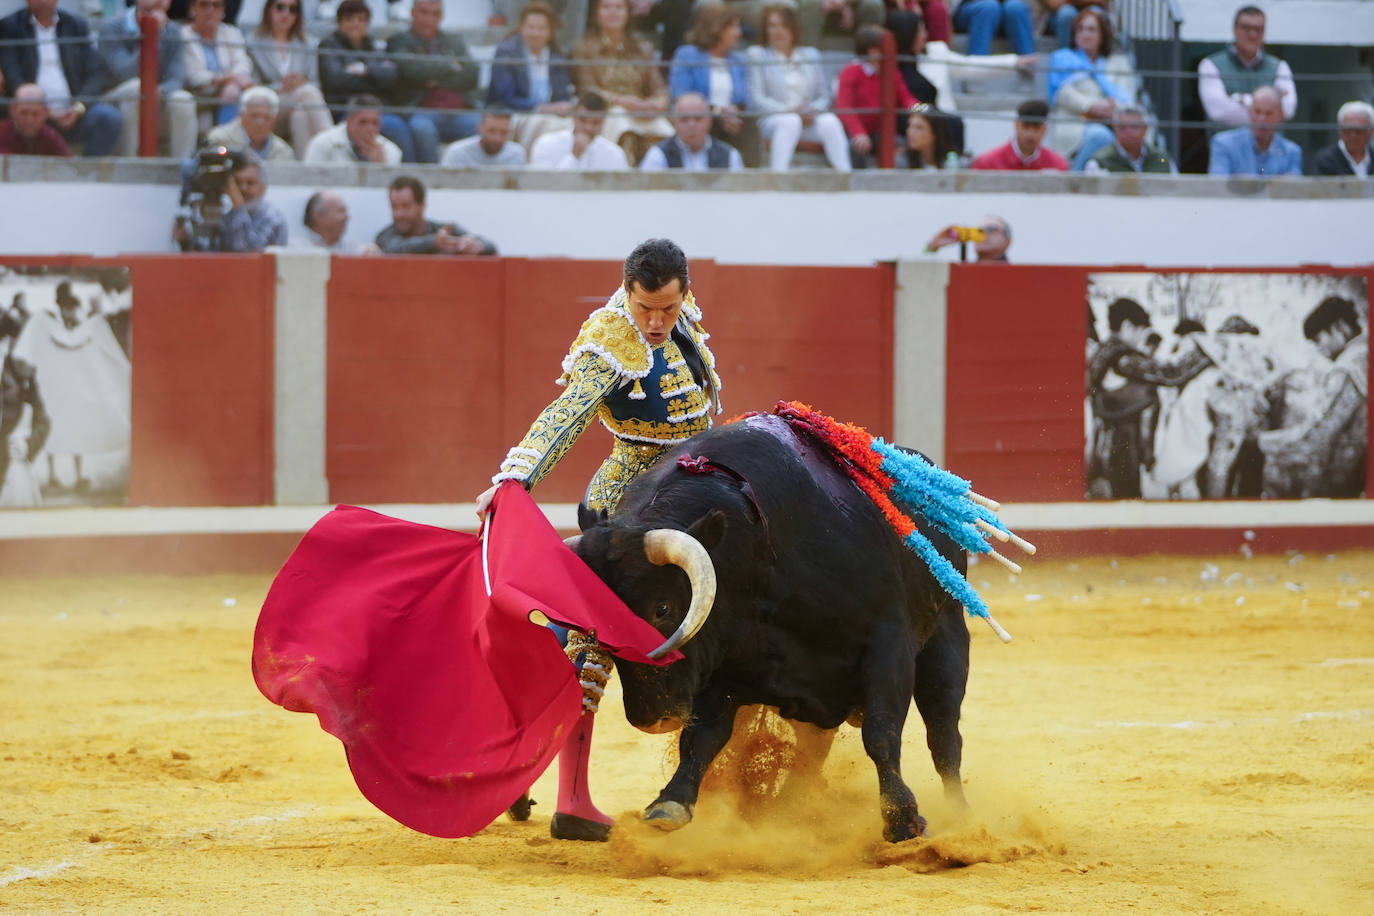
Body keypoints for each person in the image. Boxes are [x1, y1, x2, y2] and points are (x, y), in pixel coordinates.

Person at [473, 238, 722, 843]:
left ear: (683, 291)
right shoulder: (612, 338)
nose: (656, 323)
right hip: (626, 511)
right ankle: (572, 798)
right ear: (627, 292)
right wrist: (514, 478)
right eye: (646, 310)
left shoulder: (680, 318)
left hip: (685, 491)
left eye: (667, 308)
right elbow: (567, 414)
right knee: (589, 651)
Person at [1086, 297, 1210, 499]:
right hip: (1121, 447)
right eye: (1139, 331)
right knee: (1124, 500)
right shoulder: (1123, 358)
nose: (1139, 340)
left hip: (1107, 441)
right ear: (1127, 326)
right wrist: (1206, 352)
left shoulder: (1104, 352)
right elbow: (1171, 374)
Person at [0, 0, 123, 156]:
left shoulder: (76, 25)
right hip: (29, 111)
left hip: (72, 112)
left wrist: (78, 107)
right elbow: (12, 73)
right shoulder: (10, 26)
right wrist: (41, 111)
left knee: (109, 118)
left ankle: (85, 173)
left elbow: (96, 73)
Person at [746, 2, 852, 172]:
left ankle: (845, 177)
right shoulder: (757, 54)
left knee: (830, 121)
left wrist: (811, 110)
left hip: (807, 119)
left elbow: (823, 96)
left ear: (793, 28)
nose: (777, 31)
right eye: (772, 26)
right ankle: (778, 178)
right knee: (791, 121)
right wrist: (791, 110)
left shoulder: (810, 54)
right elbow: (757, 98)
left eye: (783, 26)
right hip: (773, 120)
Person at [571, 0, 673, 165]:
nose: (613, 12)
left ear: (627, 14)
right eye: (606, 7)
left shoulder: (643, 48)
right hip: (608, 110)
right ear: (596, 15)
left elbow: (660, 90)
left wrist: (652, 105)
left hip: (642, 110)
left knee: (665, 130)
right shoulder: (584, 49)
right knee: (622, 122)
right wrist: (622, 101)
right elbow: (587, 89)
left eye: (619, 7)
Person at [386, 0, 482, 164]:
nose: (429, 19)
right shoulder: (398, 41)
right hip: (421, 110)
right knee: (422, 130)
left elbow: (472, 75)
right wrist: (449, 64)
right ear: (413, 13)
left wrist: (433, 80)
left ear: (442, 16)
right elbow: (411, 71)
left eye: (435, 14)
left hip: (459, 111)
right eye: (424, 12)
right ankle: (431, 182)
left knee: (484, 127)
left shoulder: (454, 41)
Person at [99, 0, 198, 158]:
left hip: (157, 96)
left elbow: (176, 78)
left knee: (183, 100)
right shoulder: (111, 28)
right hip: (115, 99)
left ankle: (181, 167)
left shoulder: (173, 30)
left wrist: (160, 91)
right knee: (135, 87)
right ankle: (129, 163)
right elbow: (125, 73)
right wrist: (152, 35)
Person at [316, 0, 413, 162]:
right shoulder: (328, 45)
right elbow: (334, 80)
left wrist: (363, 70)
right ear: (339, 22)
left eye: (361, 19)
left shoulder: (374, 47)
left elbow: (392, 77)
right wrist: (374, 78)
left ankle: (408, 177)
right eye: (350, 19)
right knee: (395, 126)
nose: (356, 24)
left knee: (404, 124)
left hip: (376, 109)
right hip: (345, 110)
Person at [668, 3, 761, 167]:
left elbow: (746, 98)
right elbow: (681, 94)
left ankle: (754, 179)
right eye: (734, 26)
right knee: (712, 121)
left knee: (749, 122)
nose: (739, 33)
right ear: (716, 28)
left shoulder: (738, 60)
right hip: (702, 116)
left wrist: (734, 111)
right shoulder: (687, 55)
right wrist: (717, 112)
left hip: (733, 119)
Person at [1047, 8, 1131, 170]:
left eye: (1091, 29)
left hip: (1114, 120)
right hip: (1075, 120)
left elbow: (1127, 95)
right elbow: (1063, 94)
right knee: (1100, 136)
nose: (1085, 34)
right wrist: (1093, 107)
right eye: (1080, 29)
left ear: (1102, 35)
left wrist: (1111, 111)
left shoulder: (1118, 62)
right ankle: (1074, 178)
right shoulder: (1063, 58)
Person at [486, 1, 577, 150]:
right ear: (521, 28)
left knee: (569, 125)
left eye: (541, 28)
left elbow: (563, 96)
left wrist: (561, 107)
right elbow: (505, 97)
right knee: (544, 123)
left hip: (551, 115)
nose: (536, 33)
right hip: (516, 114)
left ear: (550, 31)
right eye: (531, 27)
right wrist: (541, 108)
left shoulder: (556, 58)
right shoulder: (506, 54)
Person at [246, 0, 331, 158]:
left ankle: (304, 167)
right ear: (269, 10)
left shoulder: (308, 42)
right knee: (308, 92)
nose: (286, 14)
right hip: (269, 105)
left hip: (300, 102)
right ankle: (332, 145)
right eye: (280, 7)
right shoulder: (253, 42)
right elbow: (253, 87)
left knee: (301, 114)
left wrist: (301, 82)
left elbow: (315, 82)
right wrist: (281, 86)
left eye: (293, 9)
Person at [1197, 5, 1296, 129]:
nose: (1253, 34)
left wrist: (1241, 99)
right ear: (1235, 29)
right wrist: (1269, 107)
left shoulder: (1280, 66)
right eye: (1246, 28)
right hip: (1227, 147)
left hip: (1269, 148)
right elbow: (1218, 112)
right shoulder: (1210, 65)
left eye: (1258, 29)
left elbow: (1287, 110)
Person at [835, 24, 917, 168]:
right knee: (857, 148)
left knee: (907, 144)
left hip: (881, 132)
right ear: (872, 51)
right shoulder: (851, 72)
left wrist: (921, 109)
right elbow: (844, 107)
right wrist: (858, 132)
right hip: (854, 132)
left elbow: (906, 99)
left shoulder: (892, 73)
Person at [173, 152, 288, 252]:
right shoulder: (228, 215)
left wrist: (238, 204)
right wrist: (186, 242)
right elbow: (216, 256)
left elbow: (246, 253)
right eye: (237, 182)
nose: (243, 188)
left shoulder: (272, 217)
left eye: (250, 183)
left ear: (263, 188)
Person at [375, 176, 498, 256]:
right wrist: (433, 242)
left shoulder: (448, 229)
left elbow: (490, 246)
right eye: (394, 207)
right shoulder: (385, 236)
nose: (399, 214)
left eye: (406, 206)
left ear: (422, 206)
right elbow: (394, 249)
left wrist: (476, 245)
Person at [181, 0, 255, 130]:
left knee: (234, 91)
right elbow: (193, 76)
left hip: (227, 92)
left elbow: (243, 63)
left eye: (216, 5)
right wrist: (225, 79)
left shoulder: (231, 32)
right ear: (193, 8)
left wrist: (232, 82)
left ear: (223, 10)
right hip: (196, 95)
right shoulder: (182, 34)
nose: (210, 10)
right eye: (204, 5)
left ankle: (226, 142)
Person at [1207, 86, 1301, 177]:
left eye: (1269, 113)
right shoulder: (1223, 144)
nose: (1262, 119)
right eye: (1257, 112)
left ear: (1280, 117)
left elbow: (1295, 188)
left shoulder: (1292, 152)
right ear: (1249, 112)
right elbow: (1217, 186)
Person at [639, 92, 745, 170]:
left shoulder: (730, 155)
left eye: (698, 119)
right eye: (684, 119)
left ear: (710, 121)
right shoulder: (658, 155)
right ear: (673, 122)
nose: (691, 125)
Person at [529, 93, 631, 169]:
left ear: (604, 122)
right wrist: (574, 156)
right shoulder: (547, 144)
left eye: (596, 123)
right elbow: (544, 190)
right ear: (574, 117)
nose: (588, 127)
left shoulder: (615, 154)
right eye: (583, 120)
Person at [204, 85, 296, 163]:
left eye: (266, 117)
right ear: (241, 115)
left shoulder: (283, 152)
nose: (260, 122)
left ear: (274, 119)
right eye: (255, 116)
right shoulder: (219, 139)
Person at [970, 98, 1068, 170]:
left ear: (1044, 129)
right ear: (1017, 125)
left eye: (1036, 128)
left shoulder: (1057, 165)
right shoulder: (988, 163)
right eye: (1026, 127)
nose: (1030, 134)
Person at [304, 94, 403, 164]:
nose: (370, 129)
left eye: (375, 123)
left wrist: (381, 167)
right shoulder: (322, 143)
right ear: (348, 121)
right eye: (363, 122)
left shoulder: (391, 152)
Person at [1081, 103, 1174, 173]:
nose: (1128, 132)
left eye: (1134, 127)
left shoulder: (1162, 159)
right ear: (1115, 129)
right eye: (1122, 127)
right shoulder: (1099, 162)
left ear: (1145, 129)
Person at [296, 190, 379, 254]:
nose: (347, 217)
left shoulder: (354, 250)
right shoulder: (296, 250)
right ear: (319, 215)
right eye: (341, 211)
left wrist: (372, 252)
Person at [0, 83, 71, 156]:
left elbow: (68, 164)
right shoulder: (1, 133)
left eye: (35, 114)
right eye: (24, 113)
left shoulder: (52, 138)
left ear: (46, 112)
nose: (29, 120)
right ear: (13, 109)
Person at [441, 111, 528, 167]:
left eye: (504, 132)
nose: (497, 138)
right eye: (491, 131)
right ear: (480, 128)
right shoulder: (457, 153)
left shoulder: (517, 154)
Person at [1311, 101, 1374, 178]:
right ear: (1340, 130)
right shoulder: (1324, 161)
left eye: (1358, 130)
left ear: (1371, 131)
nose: (1353, 136)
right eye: (1347, 130)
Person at [950, 0, 1034, 56]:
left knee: (1016, 7)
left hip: (1005, 10)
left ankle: (1030, 64)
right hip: (972, 9)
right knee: (989, 7)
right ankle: (977, 67)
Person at [924, 214, 1012, 261]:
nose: (984, 234)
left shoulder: (1015, 276)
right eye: (979, 230)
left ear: (1008, 242)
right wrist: (933, 247)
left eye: (991, 229)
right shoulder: (962, 272)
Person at [899, 103, 958, 168]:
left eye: (919, 127)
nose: (910, 132)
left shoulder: (953, 162)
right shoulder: (900, 162)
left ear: (935, 132)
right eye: (910, 126)